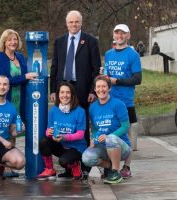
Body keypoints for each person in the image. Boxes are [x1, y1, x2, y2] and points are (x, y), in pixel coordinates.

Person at [49, 10, 101, 178]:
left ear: (81, 23)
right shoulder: (59, 41)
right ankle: (69, 166)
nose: (73, 25)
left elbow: (95, 68)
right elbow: (54, 67)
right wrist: (53, 90)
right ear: (66, 24)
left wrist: (93, 90)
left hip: (82, 89)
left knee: (82, 126)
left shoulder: (91, 41)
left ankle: (84, 165)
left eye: (76, 22)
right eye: (71, 22)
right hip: (63, 88)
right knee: (64, 124)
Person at [0, 29, 38, 177]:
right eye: (10, 39)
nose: (13, 42)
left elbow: (27, 79)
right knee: (4, 130)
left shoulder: (20, 57)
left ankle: (9, 166)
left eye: (15, 39)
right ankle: (0, 167)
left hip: (20, 100)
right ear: (4, 42)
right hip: (6, 100)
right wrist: (25, 76)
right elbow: (3, 81)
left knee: (14, 131)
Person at [102, 24, 142, 179]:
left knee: (127, 133)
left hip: (126, 101)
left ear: (128, 35)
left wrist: (116, 81)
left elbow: (137, 79)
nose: (119, 36)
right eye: (117, 33)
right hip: (109, 100)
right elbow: (107, 73)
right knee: (109, 132)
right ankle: (110, 167)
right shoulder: (108, 54)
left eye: (122, 33)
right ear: (113, 35)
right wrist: (104, 76)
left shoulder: (133, 55)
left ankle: (127, 167)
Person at [82, 76, 131, 184]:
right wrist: (93, 138)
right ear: (94, 89)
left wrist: (109, 137)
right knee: (87, 157)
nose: (101, 89)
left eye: (104, 86)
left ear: (109, 88)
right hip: (103, 146)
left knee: (111, 139)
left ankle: (115, 172)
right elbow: (95, 128)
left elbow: (125, 126)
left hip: (122, 147)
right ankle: (109, 166)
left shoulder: (118, 104)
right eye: (98, 87)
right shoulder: (93, 108)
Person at [36, 82, 87, 180]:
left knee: (63, 161)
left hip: (76, 147)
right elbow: (48, 130)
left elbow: (80, 135)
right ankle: (50, 169)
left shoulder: (80, 111)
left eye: (68, 92)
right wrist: (49, 133)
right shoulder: (54, 110)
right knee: (43, 141)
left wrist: (64, 136)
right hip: (61, 145)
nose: (65, 95)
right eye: (62, 92)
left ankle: (75, 165)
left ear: (72, 95)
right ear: (58, 94)